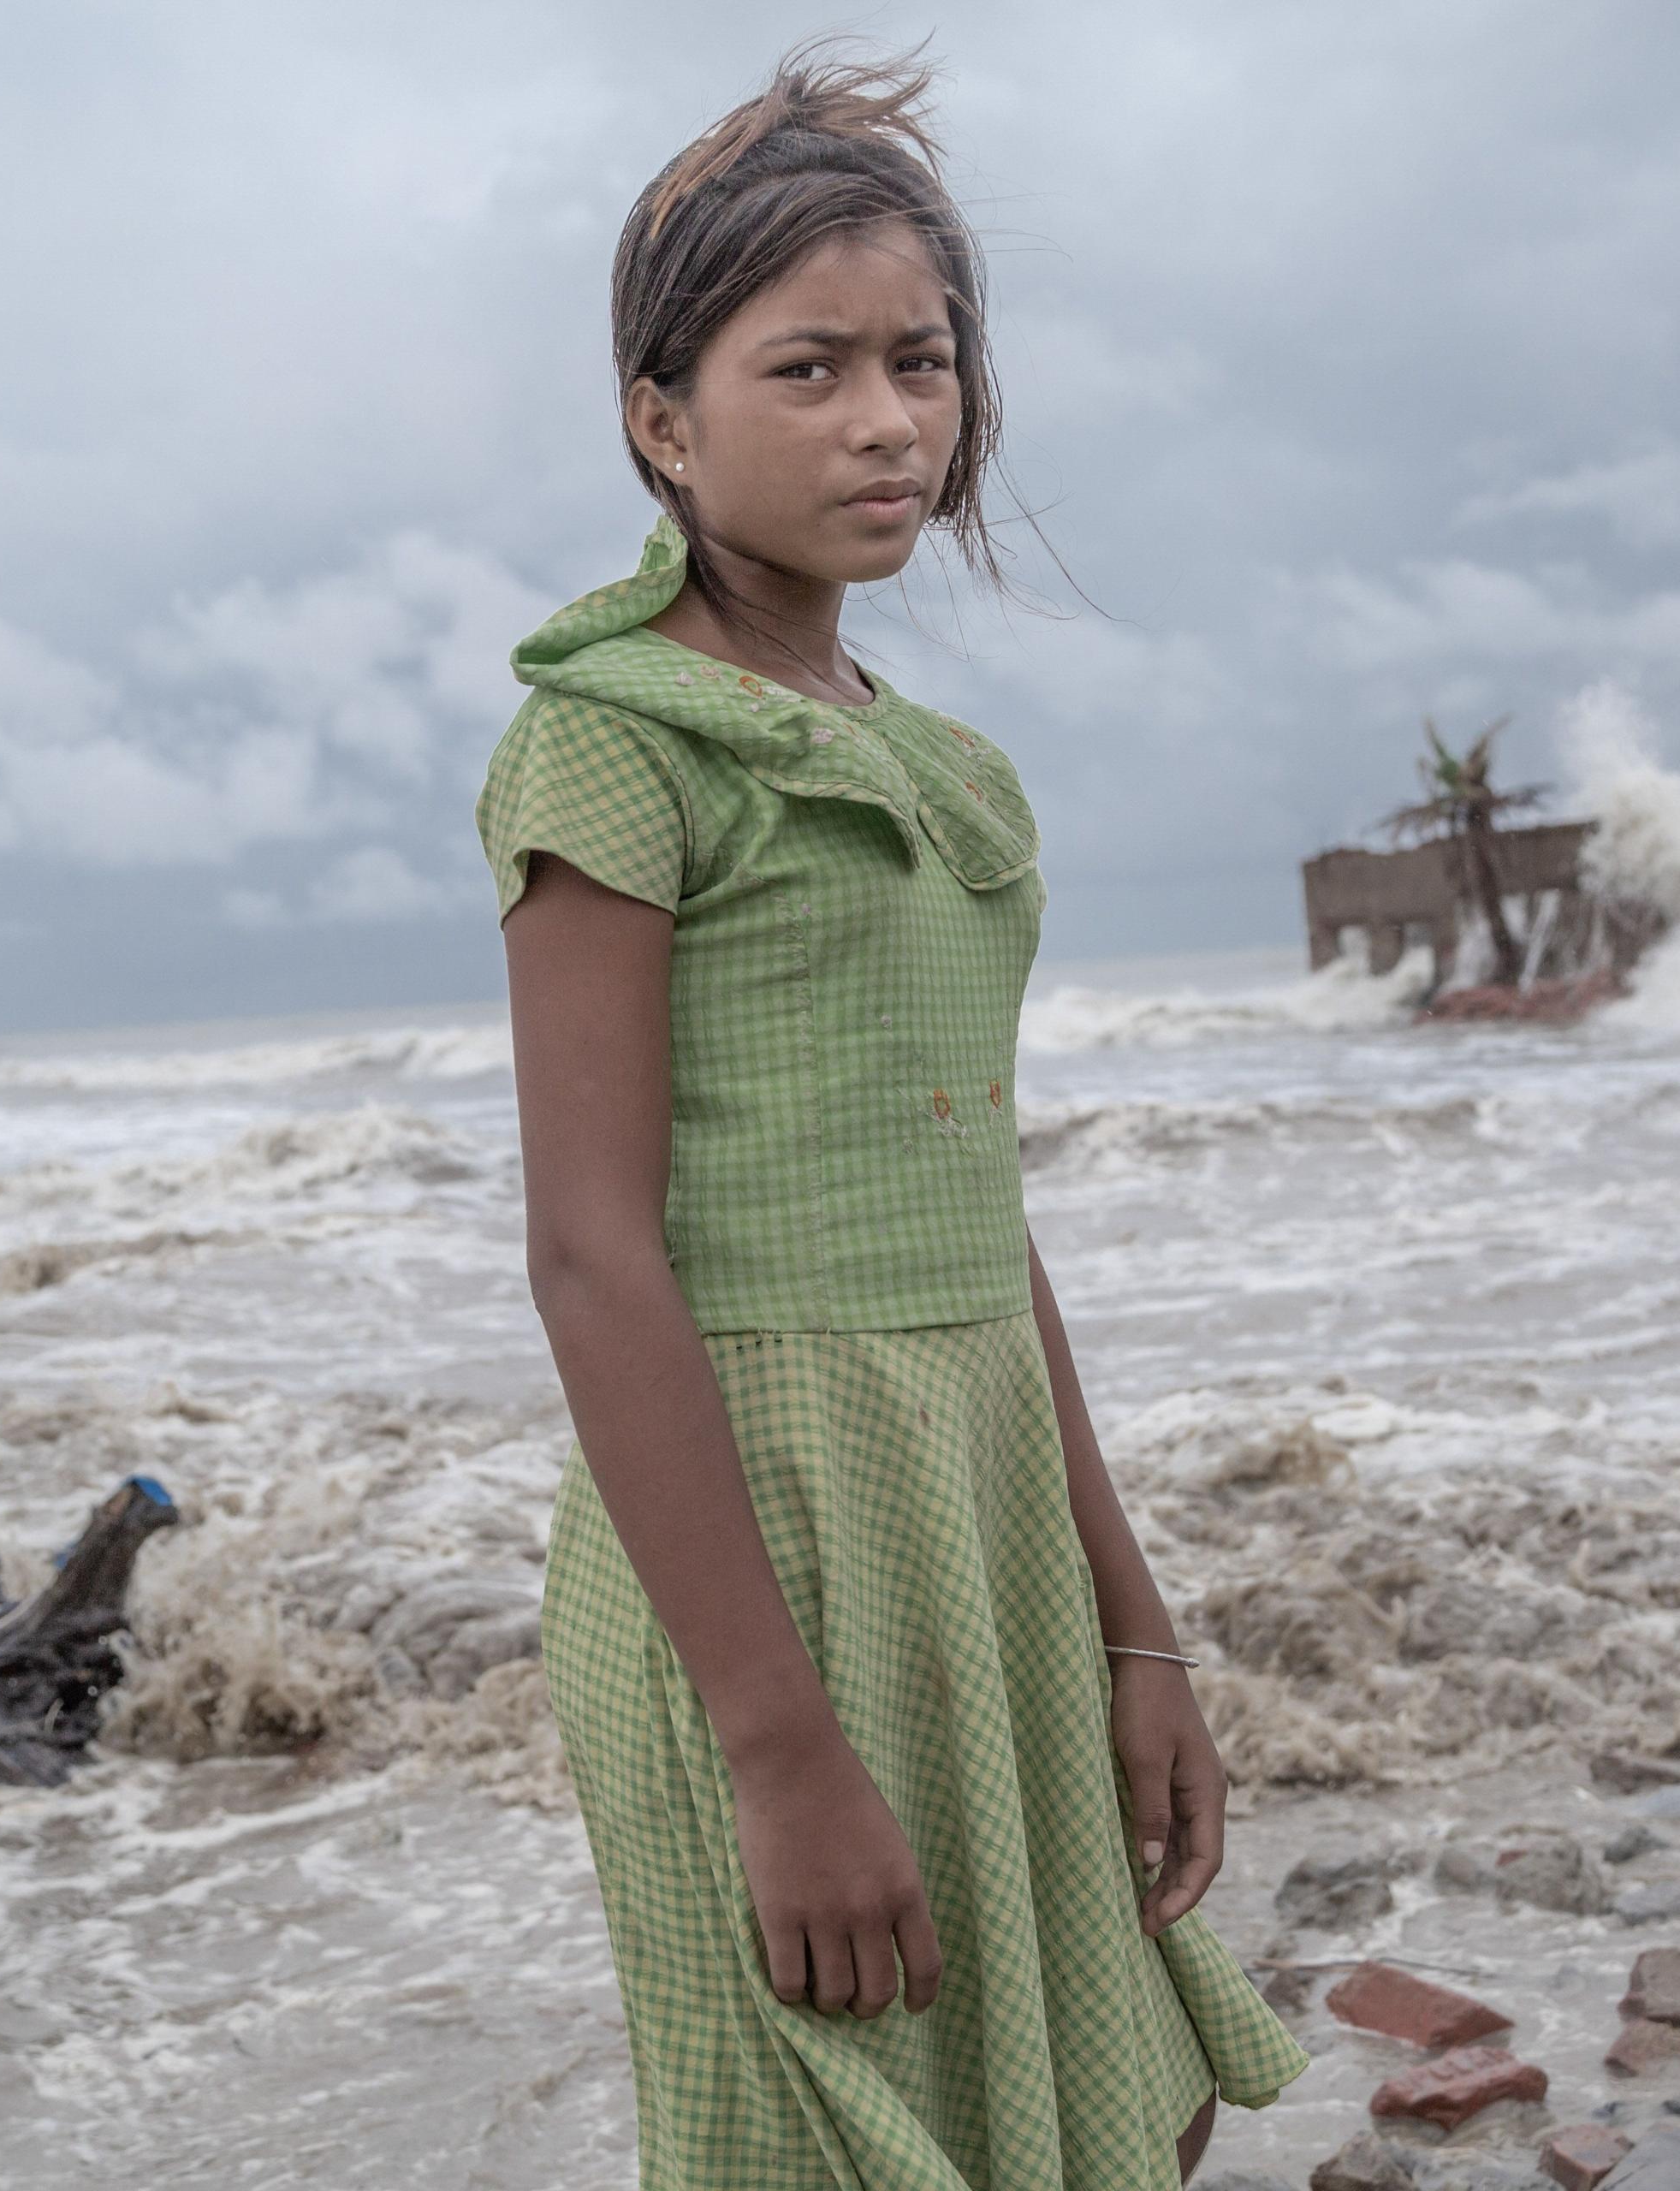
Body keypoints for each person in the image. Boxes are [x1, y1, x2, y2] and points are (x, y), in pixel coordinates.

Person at [477, 48, 1305, 2190]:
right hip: (761, 1539)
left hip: (984, 1515)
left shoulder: (952, 777)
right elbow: (591, 1252)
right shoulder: (615, 753)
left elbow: (979, 1217)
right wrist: (774, 1745)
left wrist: (1134, 1624)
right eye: (808, 366)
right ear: (662, 421)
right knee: (821, 2122)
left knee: (1115, 2077)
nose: (884, 419)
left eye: (919, 362)